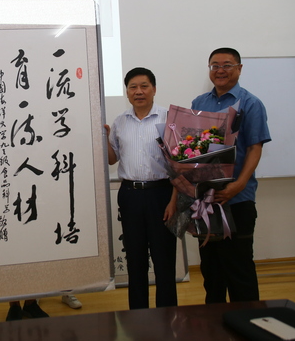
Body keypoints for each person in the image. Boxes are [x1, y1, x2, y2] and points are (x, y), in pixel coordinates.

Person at [191, 47, 270, 303]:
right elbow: (193, 148)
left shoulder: (250, 103)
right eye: (215, 66)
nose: (220, 70)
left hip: (237, 199)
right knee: (211, 270)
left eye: (227, 65)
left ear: (239, 68)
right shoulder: (199, 103)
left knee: (239, 269)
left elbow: (255, 148)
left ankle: (246, 320)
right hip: (206, 201)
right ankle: (215, 321)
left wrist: (239, 184)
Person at [105, 67, 178, 310]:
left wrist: (174, 201)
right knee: (135, 259)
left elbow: (181, 165)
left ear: (154, 89)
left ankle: (167, 316)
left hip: (162, 194)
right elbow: (112, 159)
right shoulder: (120, 122)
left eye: (144, 86)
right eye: (133, 87)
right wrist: (104, 139)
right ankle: (138, 317)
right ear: (127, 92)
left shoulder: (169, 119)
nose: (139, 91)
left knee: (164, 259)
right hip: (130, 196)